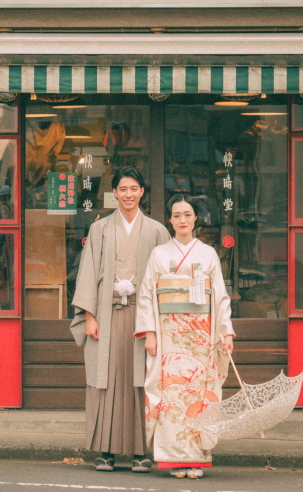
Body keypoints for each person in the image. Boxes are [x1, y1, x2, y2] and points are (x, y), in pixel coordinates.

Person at [70, 166, 170, 473]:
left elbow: (166, 279)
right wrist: (89, 316)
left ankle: (142, 452)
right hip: (106, 314)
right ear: (114, 193)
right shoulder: (99, 229)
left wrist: (159, 324)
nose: (128, 194)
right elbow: (87, 274)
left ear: (142, 192)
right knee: (106, 381)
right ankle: (106, 450)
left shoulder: (156, 231)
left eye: (134, 188)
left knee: (141, 381)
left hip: (144, 319)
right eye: (122, 189)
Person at [135, 194, 235, 479]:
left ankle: (196, 457)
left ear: (195, 219)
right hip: (169, 334)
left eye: (187, 215)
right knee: (171, 394)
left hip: (201, 335)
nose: (182, 220)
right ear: (169, 219)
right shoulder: (160, 254)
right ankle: (172, 457)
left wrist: (225, 332)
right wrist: (150, 333)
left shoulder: (207, 253)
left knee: (198, 394)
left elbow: (220, 296)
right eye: (176, 215)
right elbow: (146, 295)